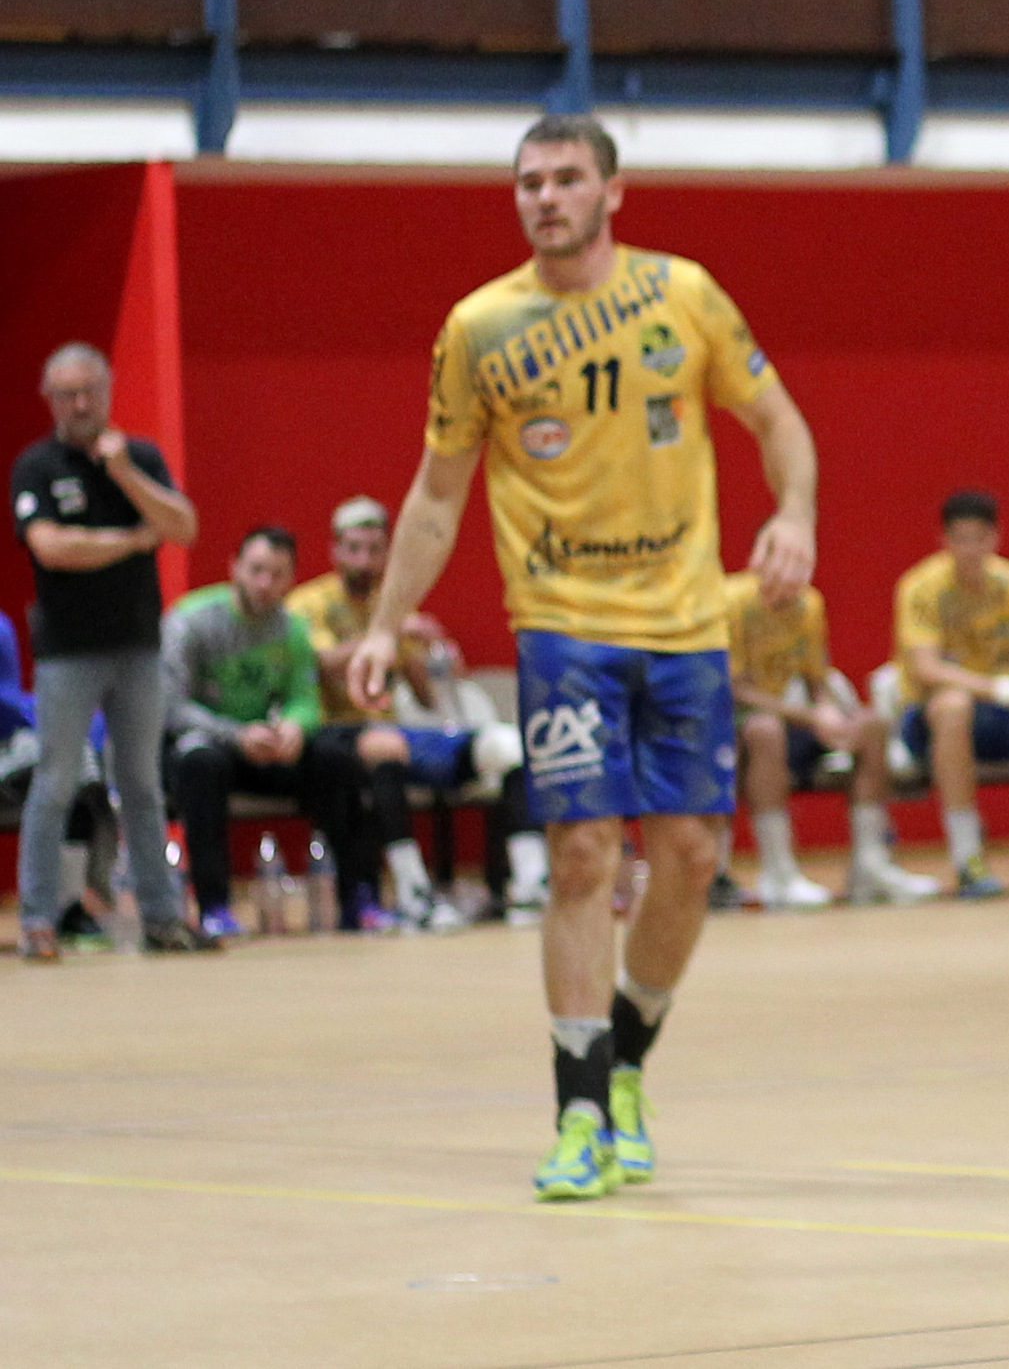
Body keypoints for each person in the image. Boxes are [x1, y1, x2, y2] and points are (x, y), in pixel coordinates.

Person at [347, 112, 823, 1204]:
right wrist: (383, 624)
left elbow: (779, 421)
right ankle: (577, 1109)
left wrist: (794, 511)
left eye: (566, 179)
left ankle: (625, 1064)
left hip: (686, 622)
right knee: (580, 853)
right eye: (529, 182)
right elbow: (435, 495)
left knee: (690, 853)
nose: (545, 197)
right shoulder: (480, 326)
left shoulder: (682, 294)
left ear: (613, 192)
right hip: (562, 622)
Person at [9, 343, 212, 961]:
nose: (79, 404)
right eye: (66, 394)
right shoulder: (36, 467)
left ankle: (162, 918)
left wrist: (124, 475)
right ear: (49, 399)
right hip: (67, 654)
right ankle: (39, 920)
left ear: (107, 391)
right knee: (55, 782)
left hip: (138, 647)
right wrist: (131, 540)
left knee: (143, 784)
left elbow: (182, 527)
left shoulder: (139, 456)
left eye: (89, 392)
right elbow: (51, 547)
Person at [287, 495, 542, 929]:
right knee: (385, 747)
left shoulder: (393, 603)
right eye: (354, 549)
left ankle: (530, 885)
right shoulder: (308, 604)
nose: (364, 560)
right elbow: (321, 664)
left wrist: (435, 661)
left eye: (374, 549)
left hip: (399, 732)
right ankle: (412, 891)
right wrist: (385, 632)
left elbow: (426, 700)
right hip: (333, 736)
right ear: (335, 551)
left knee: (509, 748)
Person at [165, 528, 392, 934]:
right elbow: (171, 707)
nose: (265, 584)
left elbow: (305, 699)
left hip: (268, 749)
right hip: (210, 745)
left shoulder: (293, 628)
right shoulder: (191, 620)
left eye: (277, 575)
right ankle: (214, 906)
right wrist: (236, 735)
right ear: (234, 567)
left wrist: (293, 727)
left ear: (291, 579)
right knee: (202, 764)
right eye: (256, 571)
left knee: (338, 760)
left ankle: (360, 899)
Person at [721, 569, 938, 907]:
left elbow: (816, 679)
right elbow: (736, 690)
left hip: (796, 722)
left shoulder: (808, 603)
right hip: (739, 729)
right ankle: (778, 873)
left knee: (871, 726)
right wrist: (811, 716)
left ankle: (870, 865)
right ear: (760, 562)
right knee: (765, 730)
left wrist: (830, 714)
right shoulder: (732, 601)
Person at [890, 489, 1009, 898]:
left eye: (978, 538)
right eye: (960, 539)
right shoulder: (921, 587)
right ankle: (967, 857)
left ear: (995, 538)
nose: (969, 549)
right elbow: (926, 669)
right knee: (954, 706)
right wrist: (999, 688)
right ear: (944, 540)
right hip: (930, 722)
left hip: (1006, 717)